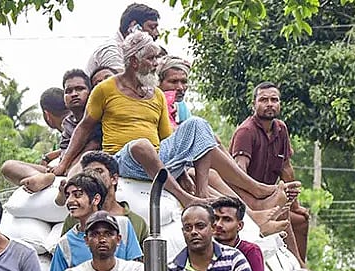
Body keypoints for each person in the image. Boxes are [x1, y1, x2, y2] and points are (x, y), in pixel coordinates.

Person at [33, 32, 299, 211]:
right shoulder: (106, 89)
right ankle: (185, 199)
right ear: (135, 61)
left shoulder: (157, 94)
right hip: (123, 159)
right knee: (141, 145)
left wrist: (191, 155)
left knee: (197, 126)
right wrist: (63, 164)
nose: (156, 64)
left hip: (156, 157)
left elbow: (167, 137)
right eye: (151, 59)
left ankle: (210, 192)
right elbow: (84, 128)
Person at [229, 82, 313, 263]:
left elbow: (286, 168)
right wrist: (251, 206)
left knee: (300, 219)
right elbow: (238, 172)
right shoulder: (246, 131)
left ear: (280, 104)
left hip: (272, 198)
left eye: (274, 100)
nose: (269, 104)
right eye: (263, 100)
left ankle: (300, 268)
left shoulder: (281, 129)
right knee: (283, 214)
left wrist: (296, 205)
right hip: (251, 200)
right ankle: (300, 268)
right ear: (254, 104)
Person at [47, 173, 143, 271]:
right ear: (86, 240)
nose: (70, 201)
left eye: (78, 195)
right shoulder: (65, 244)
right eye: (68, 195)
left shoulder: (123, 226)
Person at [4, 71, 102, 185]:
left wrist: (67, 167)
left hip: (84, 167)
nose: (74, 94)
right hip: (62, 171)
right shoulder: (67, 123)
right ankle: (41, 178)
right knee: (8, 166)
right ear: (64, 99)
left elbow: (93, 146)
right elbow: (65, 149)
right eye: (68, 91)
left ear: (91, 93)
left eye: (80, 89)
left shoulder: (97, 116)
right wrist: (55, 167)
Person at [80, 150, 149, 243]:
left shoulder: (136, 222)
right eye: (88, 173)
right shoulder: (79, 216)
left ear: (114, 179)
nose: (93, 176)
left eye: (99, 171)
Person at [84, 3, 160, 78]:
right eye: (152, 27)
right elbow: (120, 86)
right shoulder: (111, 50)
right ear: (134, 27)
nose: (157, 33)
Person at [158, 56, 191, 129]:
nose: (180, 87)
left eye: (184, 82)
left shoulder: (182, 108)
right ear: (158, 83)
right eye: (173, 82)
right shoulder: (152, 105)